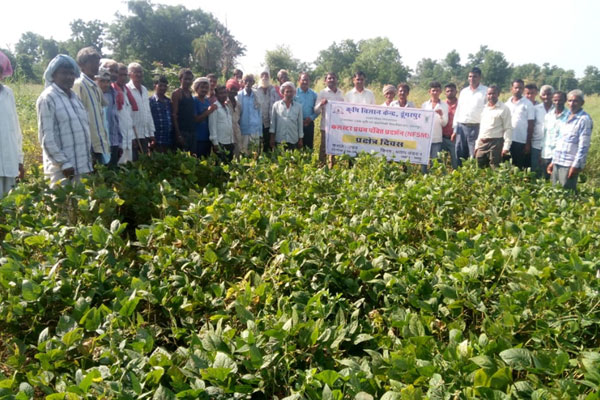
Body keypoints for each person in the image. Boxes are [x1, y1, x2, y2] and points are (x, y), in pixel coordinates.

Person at [37, 55, 93, 186]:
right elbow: (46, 138)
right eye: (64, 73)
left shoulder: (75, 97)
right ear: (53, 75)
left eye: (71, 73)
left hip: (82, 167)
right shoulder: (48, 98)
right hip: (62, 171)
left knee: (82, 199)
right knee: (61, 199)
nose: (69, 77)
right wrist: (64, 164)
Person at [547, 89, 593, 190]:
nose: (572, 104)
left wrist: (576, 165)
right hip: (558, 161)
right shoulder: (566, 116)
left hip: (569, 164)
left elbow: (583, 146)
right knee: (554, 191)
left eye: (575, 101)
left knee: (567, 193)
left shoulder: (584, 119)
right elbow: (560, 141)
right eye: (570, 100)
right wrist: (553, 161)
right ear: (567, 102)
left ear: (582, 103)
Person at [73, 46, 110, 165]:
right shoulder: (79, 85)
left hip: (98, 142)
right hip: (88, 144)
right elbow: (78, 117)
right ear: (81, 65)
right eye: (92, 63)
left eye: (97, 63)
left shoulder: (95, 87)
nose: (96, 66)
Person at [0, 51, 24, 196]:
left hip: (9, 162)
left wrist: (19, 159)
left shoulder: (8, 93)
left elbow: (15, 129)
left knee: (8, 204)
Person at [452, 67, 488, 164]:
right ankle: (460, 172)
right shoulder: (464, 92)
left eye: (475, 76)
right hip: (461, 127)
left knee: (474, 154)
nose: (472, 79)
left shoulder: (485, 91)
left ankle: (472, 172)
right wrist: (455, 129)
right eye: (470, 76)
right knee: (460, 153)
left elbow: (488, 112)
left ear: (480, 77)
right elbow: (458, 110)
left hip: (476, 127)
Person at [473, 86, 512, 169]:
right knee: (479, 167)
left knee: (495, 167)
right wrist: (477, 145)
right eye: (489, 94)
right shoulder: (484, 108)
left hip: (496, 143)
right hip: (482, 142)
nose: (491, 96)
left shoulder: (504, 108)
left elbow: (508, 128)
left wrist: (506, 147)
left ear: (498, 94)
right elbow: (482, 128)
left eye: (493, 93)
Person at [314, 72, 344, 165]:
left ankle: (333, 167)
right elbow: (316, 110)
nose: (332, 80)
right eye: (329, 78)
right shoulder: (322, 93)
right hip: (325, 126)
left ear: (336, 80)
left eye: (333, 78)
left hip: (338, 126)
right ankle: (321, 166)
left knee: (335, 148)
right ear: (325, 81)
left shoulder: (341, 93)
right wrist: (321, 104)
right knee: (323, 148)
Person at [127, 63, 155, 159]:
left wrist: (151, 133)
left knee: (144, 162)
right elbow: (126, 115)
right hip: (134, 135)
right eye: (135, 72)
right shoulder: (126, 89)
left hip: (145, 133)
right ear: (129, 74)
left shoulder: (144, 89)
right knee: (133, 162)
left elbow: (148, 112)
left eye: (140, 72)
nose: (138, 74)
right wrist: (131, 136)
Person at [505, 79, 535, 169]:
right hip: (507, 140)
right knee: (506, 165)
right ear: (511, 89)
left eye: (521, 88)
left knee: (518, 167)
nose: (518, 90)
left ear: (523, 89)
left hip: (521, 141)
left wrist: (528, 143)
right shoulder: (507, 104)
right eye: (516, 88)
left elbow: (531, 125)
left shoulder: (528, 104)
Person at [96, 67, 122, 167]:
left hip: (113, 141)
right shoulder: (94, 96)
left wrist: (119, 142)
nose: (105, 84)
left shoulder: (112, 94)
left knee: (113, 171)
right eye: (102, 81)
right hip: (100, 143)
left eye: (108, 81)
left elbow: (115, 120)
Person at [420, 82, 448, 173]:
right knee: (423, 161)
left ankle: (433, 178)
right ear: (429, 92)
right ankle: (423, 177)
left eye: (437, 90)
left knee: (434, 161)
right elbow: (421, 121)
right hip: (425, 138)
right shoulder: (424, 105)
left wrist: (441, 115)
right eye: (433, 90)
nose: (435, 92)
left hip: (436, 138)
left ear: (440, 92)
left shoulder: (444, 105)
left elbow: (444, 123)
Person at [114, 63, 138, 164]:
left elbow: (128, 118)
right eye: (120, 75)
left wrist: (132, 137)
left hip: (128, 138)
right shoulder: (112, 92)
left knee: (128, 167)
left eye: (125, 75)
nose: (123, 78)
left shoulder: (126, 92)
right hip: (118, 140)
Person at [541, 91, 568, 179]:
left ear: (565, 100)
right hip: (547, 153)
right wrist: (541, 152)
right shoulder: (548, 116)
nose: (557, 102)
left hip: (561, 155)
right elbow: (545, 135)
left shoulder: (569, 117)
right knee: (546, 180)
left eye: (560, 100)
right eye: (555, 100)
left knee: (559, 181)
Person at [270, 82, 303, 150]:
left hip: (293, 139)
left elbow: (300, 124)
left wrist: (300, 139)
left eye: (291, 91)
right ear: (283, 92)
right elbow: (273, 123)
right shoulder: (276, 105)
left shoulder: (298, 106)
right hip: (280, 139)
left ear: (293, 93)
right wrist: (272, 138)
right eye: (287, 91)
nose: (289, 94)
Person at [530, 84, 554, 176]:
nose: (546, 97)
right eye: (544, 95)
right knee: (535, 171)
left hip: (551, 146)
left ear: (553, 95)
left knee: (549, 172)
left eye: (549, 94)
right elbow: (531, 126)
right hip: (536, 144)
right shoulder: (535, 109)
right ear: (540, 96)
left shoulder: (557, 110)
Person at [171, 69, 196, 154]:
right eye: (185, 79)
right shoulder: (177, 93)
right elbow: (174, 115)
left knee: (192, 157)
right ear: (180, 79)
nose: (188, 81)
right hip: (181, 131)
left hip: (191, 131)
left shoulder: (190, 93)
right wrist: (178, 134)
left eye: (190, 79)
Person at [237, 74, 262, 156]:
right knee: (244, 155)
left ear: (253, 82)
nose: (248, 83)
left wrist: (260, 133)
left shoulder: (256, 95)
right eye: (246, 81)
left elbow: (259, 114)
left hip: (255, 131)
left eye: (250, 81)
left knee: (254, 155)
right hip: (243, 131)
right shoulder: (239, 95)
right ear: (242, 82)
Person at [209, 86, 235, 163]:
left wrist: (232, 140)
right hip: (220, 143)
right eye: (220, 93)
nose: (223, 95)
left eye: (224, 93)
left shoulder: (227, 107)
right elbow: (212, 126)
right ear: (216, 95)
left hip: (229, 141)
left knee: (229, 164)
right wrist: (215, 143)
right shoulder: (214, 107)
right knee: (221, 165)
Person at [192, 77, 217, 158]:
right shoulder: (194, 100)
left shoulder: (207, 101)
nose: (204, 90)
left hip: (207, 137)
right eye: (202, 87)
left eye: (206, 88)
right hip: (197, 138)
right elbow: (195, 119)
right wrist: (208, 111)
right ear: (196, 88)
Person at [149, 75, 175, 153]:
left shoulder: (169, 101)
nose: (163, 88)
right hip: (156, 139)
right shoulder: (150, 101)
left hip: (168, 139)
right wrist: (150, 137)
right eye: (160, 86)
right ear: (155, 86)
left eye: (165, 86)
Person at [256, 71, 280, 152]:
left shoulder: (273, 89)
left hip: (269, 123)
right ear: (260, 77)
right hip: (257, 124)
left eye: (266, 75)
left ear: (269, 77)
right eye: (262, 75)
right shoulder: (254, 89)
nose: (264, 77)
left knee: (268, 147)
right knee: (256, 147)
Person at [295, 72, 318, 150]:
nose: (305, 82)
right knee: (296, 147)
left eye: (307, 80)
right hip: (296, 124)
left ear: (309, 81)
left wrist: (311, 118)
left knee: (308, 147)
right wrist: (299, 120)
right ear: (299, 81)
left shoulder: (314, 94)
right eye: (303, 80)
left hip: (309, 124)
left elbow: (318, 109)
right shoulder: (294, 93)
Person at [442, 83, 459, 169]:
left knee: (456, 162)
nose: (450, 92)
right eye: (447, 91)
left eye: (452, 90)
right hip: (442, 137)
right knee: (441, 163)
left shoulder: (461, 104)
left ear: (456, 91)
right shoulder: (441, 104)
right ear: (445, 93)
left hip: (455, 138)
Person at [226, 79, 242, 157]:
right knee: (228, 155)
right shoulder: (224, 103)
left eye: (235, 89)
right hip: (227, 133)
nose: (233, 91)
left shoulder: (238, 104)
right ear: (227, 90)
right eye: (231, 89)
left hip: (237, 132)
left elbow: (239, 119)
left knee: (238, 155)